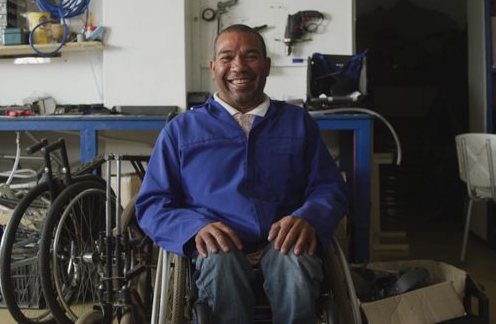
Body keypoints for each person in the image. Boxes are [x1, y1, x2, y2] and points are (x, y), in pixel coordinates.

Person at [136, 24, 348, 324]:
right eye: (227, 57)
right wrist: (195, 228)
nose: (238, 66)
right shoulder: (181, 131)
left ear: (267, 65)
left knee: (295, 258)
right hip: (217, 248)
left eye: (250, 56)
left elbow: (329, 188)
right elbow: (153, 203)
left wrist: (308, 217)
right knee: (220, 258)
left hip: (282, 242)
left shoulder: (298, 124)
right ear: (213, 68)